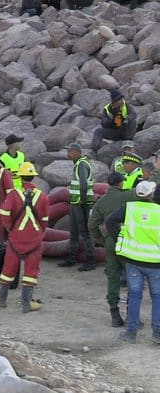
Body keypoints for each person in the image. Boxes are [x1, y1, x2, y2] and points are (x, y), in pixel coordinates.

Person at [105, 180, 160, 344]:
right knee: (157, 297)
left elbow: (109, 221)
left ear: (137, 193)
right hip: (155, 262)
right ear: (152, 195)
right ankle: (157, 334)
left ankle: (131, 333)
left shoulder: (129, 208)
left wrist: (120, 237)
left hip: (133, 260)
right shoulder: (158, 211)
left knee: (135, 296)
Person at [0, 162, 49, 312]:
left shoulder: (13, 195)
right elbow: (44, 220)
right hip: (35, 240)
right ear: (33, 177)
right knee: (31, 272)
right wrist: (39, 232)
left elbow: (4, 213)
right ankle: (26, 304)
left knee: (7, 270)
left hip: (15, 239)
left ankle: (1, 300)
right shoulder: (43, 196)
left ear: (21, 177)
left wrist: (11, 228)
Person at [88, 172, 132, 327]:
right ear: (121, 183)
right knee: (133, 277)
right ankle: (132, 316)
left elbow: (92, 225)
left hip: (111, 243)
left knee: (113, 277)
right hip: (129, 243)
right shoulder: (130, 196)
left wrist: (102, 240)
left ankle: (115, 314)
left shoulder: (101, 202)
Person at [60, 143, 96, 271]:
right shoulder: (78, 164)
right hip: (76, 202)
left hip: (81, 203)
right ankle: (71, 257)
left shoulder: (82, 164)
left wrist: (82, 200)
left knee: (85, 231)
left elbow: (83, 184)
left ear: (76, 152)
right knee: (74, 230)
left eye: (69, 151)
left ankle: (90, 260)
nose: (68, 154)